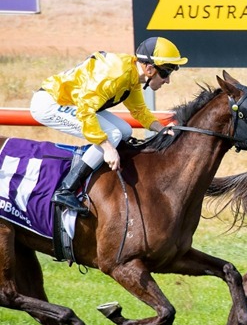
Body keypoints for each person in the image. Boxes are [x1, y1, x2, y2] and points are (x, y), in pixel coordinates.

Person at [29, 36, 187, 215]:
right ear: (150, 69)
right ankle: (66, 189)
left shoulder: (132, 75)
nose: (167, 80)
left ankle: (104, 175)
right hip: (50, 103)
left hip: (73, 103)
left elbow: (139, 110)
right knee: (112, 135)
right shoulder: (117, 75)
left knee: (125, 130)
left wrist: (161, 128)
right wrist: (107, 148)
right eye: (166, 72)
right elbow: (85, 110)